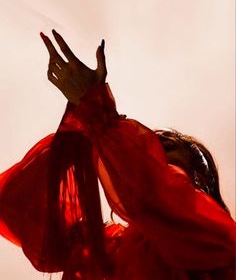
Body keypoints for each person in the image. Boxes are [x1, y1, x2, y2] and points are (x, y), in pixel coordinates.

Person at [0, 29, 235, 280]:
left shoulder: (211, 233)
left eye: (168, 147)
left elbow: (157, 194)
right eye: (150, 144)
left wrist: (96, 112)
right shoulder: (104, 250)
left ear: (198, 177)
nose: (154, 148)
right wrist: (79, 131)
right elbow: (16, 206)